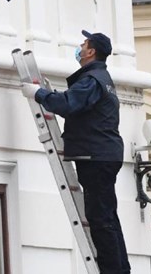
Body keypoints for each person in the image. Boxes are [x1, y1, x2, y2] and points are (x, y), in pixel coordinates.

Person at [21, 30, 130, 274]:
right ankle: (121, 269)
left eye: (83, 44)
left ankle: (113, 271)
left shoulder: (92, 79)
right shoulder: (102, 79)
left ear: (91, 51)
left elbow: (69, 104)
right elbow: (75, 101)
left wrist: (38, 93)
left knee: (100, 218)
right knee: (108, 216)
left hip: (96, 155)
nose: (79, 47)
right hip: (103, 153)